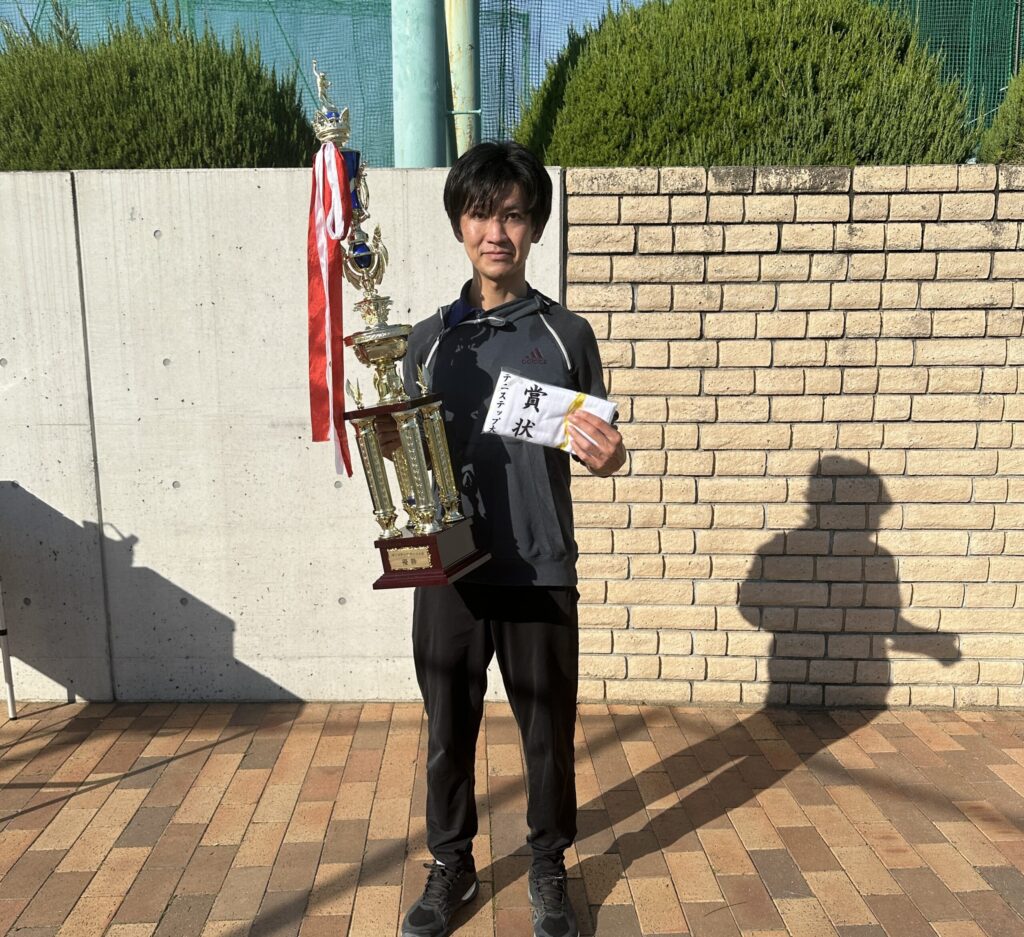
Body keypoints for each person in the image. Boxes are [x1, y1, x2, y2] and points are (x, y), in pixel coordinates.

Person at [379, 141, 626, 937]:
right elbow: (410, 454)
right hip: (451, 571)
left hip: (539, 569)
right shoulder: (425, 340)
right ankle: (451, 862)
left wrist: (611, 455)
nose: (497, 232)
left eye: (514, 215)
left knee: (547, 732)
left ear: (536, 226)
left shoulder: (567, 334)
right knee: (447, 731)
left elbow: (600, 442)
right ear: (460, 223)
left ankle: (548, 864)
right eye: (482, 214)